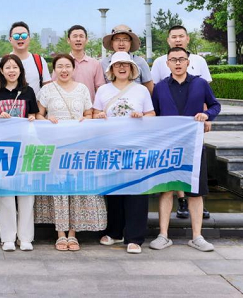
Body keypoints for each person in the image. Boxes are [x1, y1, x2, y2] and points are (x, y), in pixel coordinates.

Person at [149, 47, 221, 253]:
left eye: (181, 59)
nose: (178, 63)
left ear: (188, 62)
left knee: (196, 192)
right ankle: (163, 235)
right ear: (167, 63)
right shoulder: (160, 88)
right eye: (173, 60)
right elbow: (154, 114)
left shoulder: (200, 84)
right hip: (168, 147)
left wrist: (207, 116)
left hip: (193, 145)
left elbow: (215, 105)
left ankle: (197, 236)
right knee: (166, 190)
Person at [34, 54, 106, 251]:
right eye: (60, 66)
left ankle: (73, 234)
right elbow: (38, 114)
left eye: (67, 66)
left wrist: (85, 119)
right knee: (58, 189)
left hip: (78, 147)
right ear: (54, 69)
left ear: (74, 69)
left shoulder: (82, 89)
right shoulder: (47, 89)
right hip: (55, 147)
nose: (64, 70)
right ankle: (60, 234)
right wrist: (46, 120)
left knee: (76, 188)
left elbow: (89, 113)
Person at [93, 52, 155, 254]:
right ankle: (114, 232)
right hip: (111, 148)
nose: (121, 68)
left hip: (136, 148)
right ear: (111, 69)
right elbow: (94, 113)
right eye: (117, 65)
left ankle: (134, 238)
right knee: (114, 191)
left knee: (136, 192)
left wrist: (142, 116)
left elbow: (152, 114)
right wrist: (99, 116)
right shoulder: (103, 90)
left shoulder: (141, 90)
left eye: (125, 65)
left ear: (132, 68)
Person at [150, 25, 213, 220]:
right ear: (168, 40)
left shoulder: (199, 61)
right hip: (170, 127)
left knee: (194, 164)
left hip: (192, 124)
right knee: (172, 168)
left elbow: (205, 93)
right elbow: (157, 94)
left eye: (181, 36)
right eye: (174, 36)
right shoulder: (159, 63)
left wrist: (207, 115)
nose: (177, 39)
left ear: (187, 39)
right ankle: (182, 200)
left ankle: (195, 201)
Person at [0, 54, 38, 252]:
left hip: (25, 147)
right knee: (6, 194)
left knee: (26, 193)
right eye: (7, 67)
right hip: (3, 148)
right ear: (1, 71)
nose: (11, 71)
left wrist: (31, 118)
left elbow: (33, 113)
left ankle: (25, 238)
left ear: (20, 70)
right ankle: (7, 237)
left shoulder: (28, 91)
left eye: (15, 67)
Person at [0, 21, 50, 95]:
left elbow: (47, 88)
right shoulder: (2, 62)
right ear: (10, 39)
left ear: (29, 38)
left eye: (24, 35)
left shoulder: (39, 61)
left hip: (35, 102)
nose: (20, 38)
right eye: (16, 36)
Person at [99, 24, 153, 94]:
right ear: (112, 43)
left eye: (125, 39)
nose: (121, 43)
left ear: (131, 42)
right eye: (117, 39)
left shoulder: (140, 62)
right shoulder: (103, 63)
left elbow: (149, 87)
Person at [56, 25, 105, 101]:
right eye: (75, 36)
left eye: (81, 36)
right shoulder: (60, 63)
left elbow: (100, 88)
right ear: (68, 40)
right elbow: (55, 86)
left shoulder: (95, 64)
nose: (78, 39)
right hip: (66, 106)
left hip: (89, 107)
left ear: (86, 40)